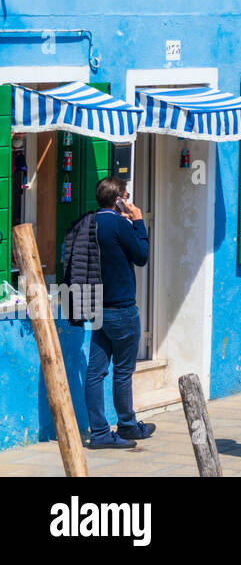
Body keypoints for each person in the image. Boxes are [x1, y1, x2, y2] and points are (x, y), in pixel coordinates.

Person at [84, 176, 153, 450]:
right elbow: (142, 256)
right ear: (118, 200)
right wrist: (137, 221)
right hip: (122, 309)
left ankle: (100, 432)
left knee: (94, 372)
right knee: (122, 372)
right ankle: (127, 425)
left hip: (98, 308)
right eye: (126, 195)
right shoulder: (118, 223)